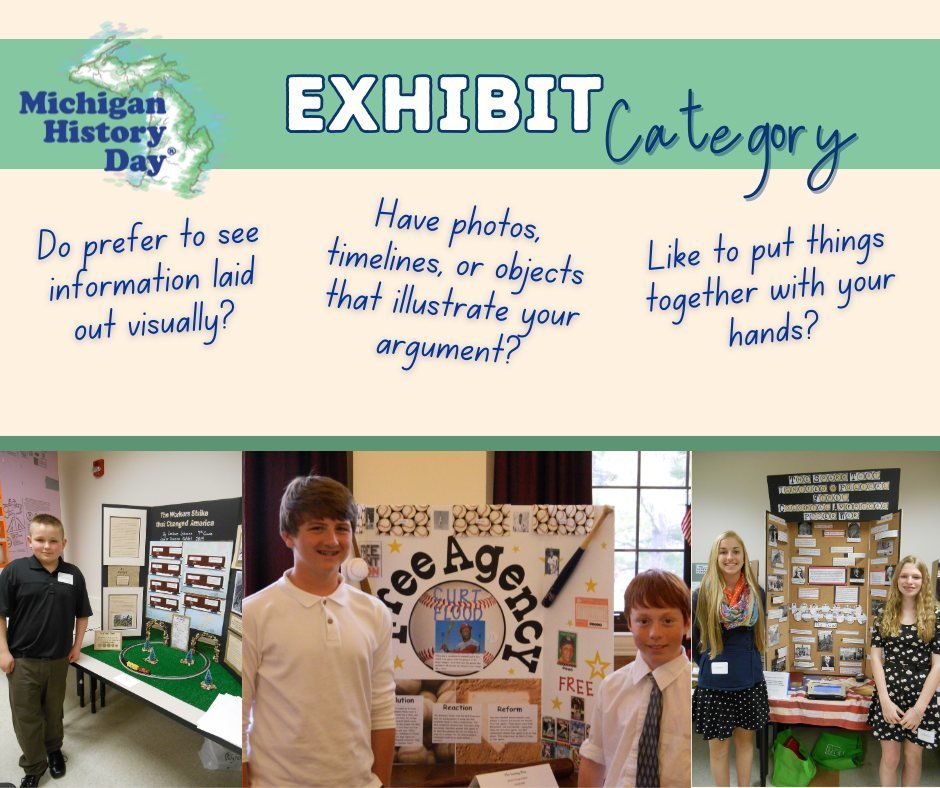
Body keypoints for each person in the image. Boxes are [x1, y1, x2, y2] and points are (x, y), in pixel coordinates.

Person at [242, 475, 395, 787]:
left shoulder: (374, 612)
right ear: (288, 536)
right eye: (316, 527)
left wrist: (380, 782)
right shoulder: (254, 612)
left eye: (342, 528)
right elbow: (238, 716)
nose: (332, 540)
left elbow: (382, 709)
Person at [0, 514, 92, 788]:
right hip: (22, 660)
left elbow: (82, 615)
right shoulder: (14, 571)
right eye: (40, 540)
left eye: (53, 541)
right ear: (29, 541)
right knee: (26, 715)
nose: (47, 546)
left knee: (54, 711)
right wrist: (3, 651)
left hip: (58, 660)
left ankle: (54, 751)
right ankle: (34, 764)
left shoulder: (73, 574)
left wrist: (75, 646)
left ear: (63, 542)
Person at [579, 569, 691, 787]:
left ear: (686, 623)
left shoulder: (695, 693)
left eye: (667, 620)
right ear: (629, 622)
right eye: (643, 621)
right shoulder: (611, 686)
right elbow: (594, 757)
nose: (654, 633)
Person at [692, 530, 768, 787]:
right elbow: (695, 642)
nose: (730, 557)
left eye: (736, 551)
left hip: (749, 681)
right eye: (723, 551)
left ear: (744, 556)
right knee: (719, 749)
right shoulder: (702, 594)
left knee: (745, 744)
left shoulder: (757, 593)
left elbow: (759, 637)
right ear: (715, 557)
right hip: (714, 685)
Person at [867, 555, 940, 787]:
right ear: (896, 578)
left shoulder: (935, 617)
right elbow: (876, 659)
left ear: (924, 581)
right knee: (890, 758)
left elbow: (938, 664)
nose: (910, 581)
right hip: (890, 693)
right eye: (905, 575)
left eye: (916, 576)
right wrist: (884, 700)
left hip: (922, 697)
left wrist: (919, 709)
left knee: (912, 757)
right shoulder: (883, 614)